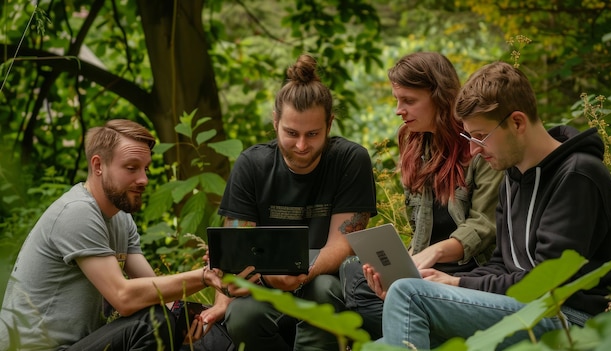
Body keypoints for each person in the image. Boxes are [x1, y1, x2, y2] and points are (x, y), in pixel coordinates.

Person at [380, 61, 611, 349]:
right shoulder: (513, 176)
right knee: (388, 335)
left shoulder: (577, 176)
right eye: (468, 137)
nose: (473, 150)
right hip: (526, 308)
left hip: (576, 318)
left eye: (481, 136)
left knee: (409, 295)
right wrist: (439, 281)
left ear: (517, 122)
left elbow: (548, 282)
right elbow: (502, 264)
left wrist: (458, 285)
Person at [0, 119, 253, 351]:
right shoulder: (77, 212)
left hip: (80, 345)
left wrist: (198, 315)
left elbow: (156, 294)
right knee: (152, 323)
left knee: (205, 329)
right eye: (131, 168)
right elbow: (123, 297)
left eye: (146, 169)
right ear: (98, 165)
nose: (143, 179)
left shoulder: (121, 218)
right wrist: (204, 277)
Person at [196, 54, 378, 351]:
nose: (302, 146)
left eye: (313, 134)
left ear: (329, 124)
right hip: (266, 286)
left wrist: (304, 271)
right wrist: (229, 294)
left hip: (327, 281)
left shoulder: (350, 159)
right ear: (275, 121)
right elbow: (237, 247)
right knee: (241, 316)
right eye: (291, 133)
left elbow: (343, 242)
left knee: (323, 290)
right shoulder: (252, 164)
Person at [339, 52, 503, 340]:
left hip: (473, 269)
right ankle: (418, 324)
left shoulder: (479, 146)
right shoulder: (416, 146)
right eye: (396, 100)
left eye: (409, 101)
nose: (398, 111)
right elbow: (421, 234)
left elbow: (484, 226)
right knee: (354, 274)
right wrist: (400, 265)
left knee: (389, 299)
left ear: (440, 97)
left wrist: (433, 253)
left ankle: (418, 324)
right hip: (429, 264)